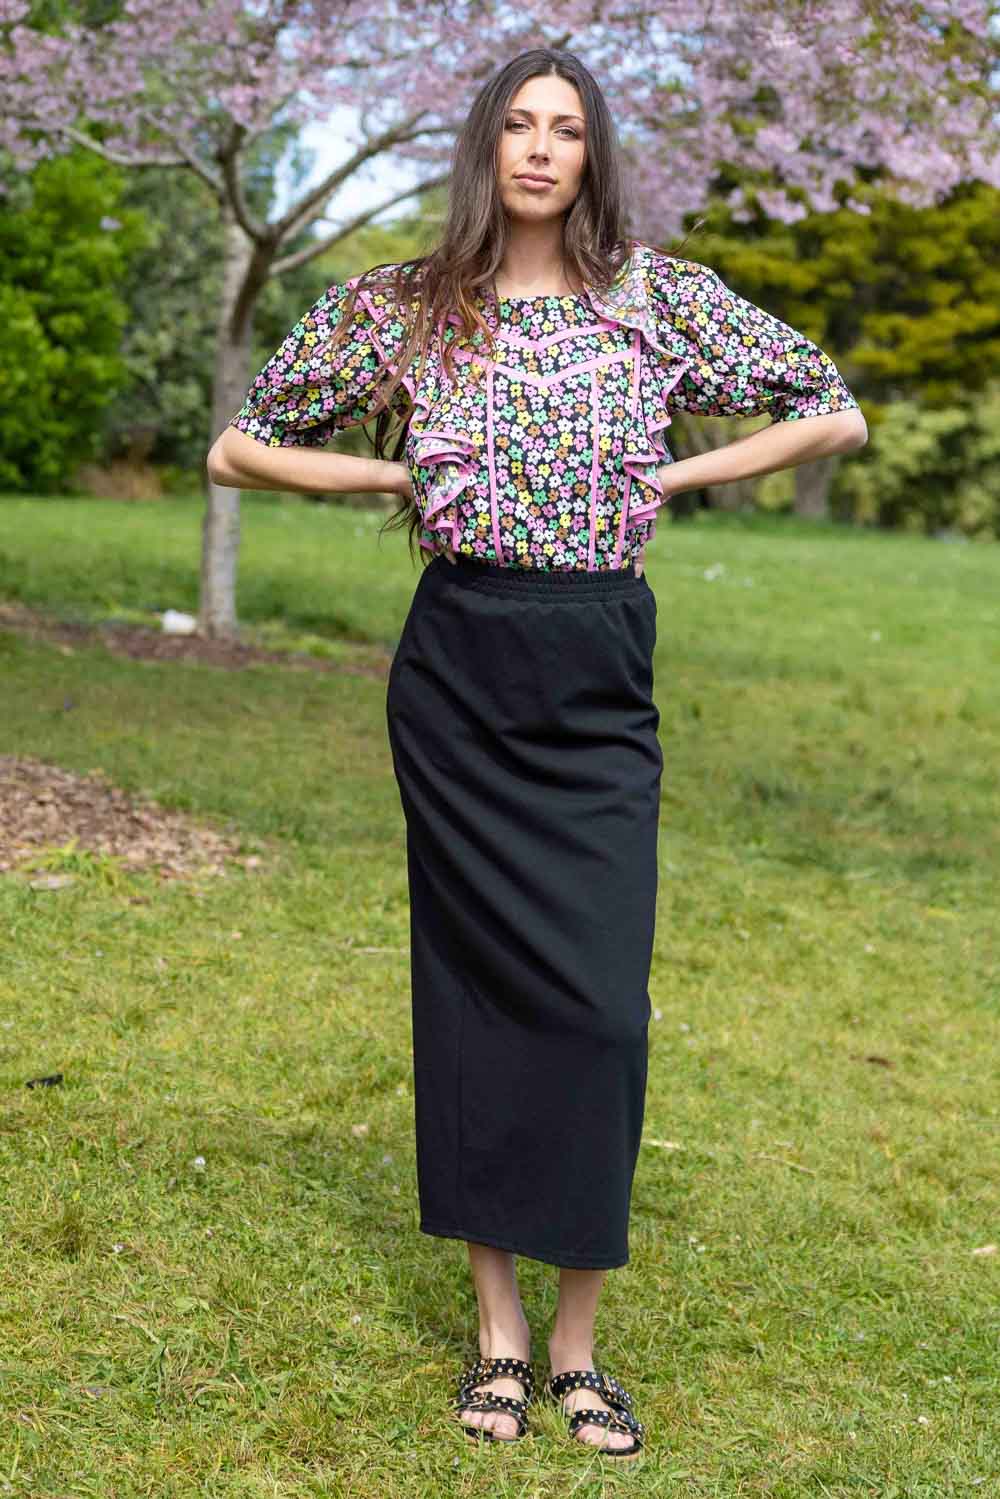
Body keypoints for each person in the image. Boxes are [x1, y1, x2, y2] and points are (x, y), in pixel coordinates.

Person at [208, 46, 867, 1462]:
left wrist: (673, 470)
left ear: (592, 154)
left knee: (602, 1011)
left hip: (596, 666)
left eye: (566, 128)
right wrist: (398, 470)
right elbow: (240, 449)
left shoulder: (656, 298)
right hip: (460, 668)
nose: (540, 148)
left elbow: (833, 407)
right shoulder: (405, 307)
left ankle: (581, 1344)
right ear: (485, 147)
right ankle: (505, 1338)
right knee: (474, 998)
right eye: (517, 123)